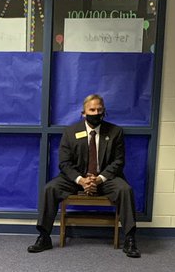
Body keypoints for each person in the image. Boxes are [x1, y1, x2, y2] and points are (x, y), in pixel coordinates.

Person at [28, 93, 139, 258]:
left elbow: (118, 162)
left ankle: (130, 238)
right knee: (50, 188)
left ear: (104, 111)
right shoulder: (70, 132)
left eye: (99, 110)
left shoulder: (115, 132)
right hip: (76, 179)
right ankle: (44, 236)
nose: (95, 113)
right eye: (92, 109)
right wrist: (82, 181)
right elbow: (64, 163)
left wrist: (99, 179)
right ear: (83, 113)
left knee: (125, 189)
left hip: (105, 179)